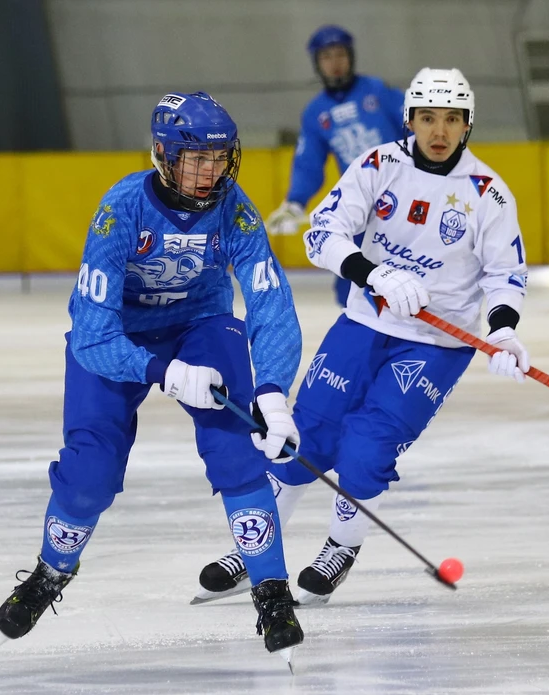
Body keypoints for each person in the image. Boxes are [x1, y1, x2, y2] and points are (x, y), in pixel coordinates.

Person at [196, 67, 530, 605]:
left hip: (437, 346)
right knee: (306, 434)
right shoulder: (379, 165)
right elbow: (321, 234)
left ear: (467, 124)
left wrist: (504, 330)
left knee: (366, 449)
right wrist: (373, 274)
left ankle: (340, 547)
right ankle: (257, 542)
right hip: (364, 323)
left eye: (450, 119)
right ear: (410, 120)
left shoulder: (488, 194)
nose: (438, 131)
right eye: (427, 118)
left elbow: (505, 275)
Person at [0, 92, 305, 658]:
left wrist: (273, 393)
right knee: (89, 471)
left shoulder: (234, 209)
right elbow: (91, 333)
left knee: (238, 453)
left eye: (220, 158)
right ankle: (51, 570)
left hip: (202, 324)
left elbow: (270, 301)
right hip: (122, 339)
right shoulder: (120, 211)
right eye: (196, 158)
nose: (211, 172)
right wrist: (163, 370)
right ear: (163, 154)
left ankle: (271, 587)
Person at [265, 24, 405, 306]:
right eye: (326, 57)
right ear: (317, 64)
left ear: (350, 56)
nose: (335, 63)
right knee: (350, 285)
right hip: (360, 205)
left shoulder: (378, 91)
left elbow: (417, 128)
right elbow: (308, 163)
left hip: (403, 196)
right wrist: (295, 203)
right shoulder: (316, 113)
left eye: (340, 54)